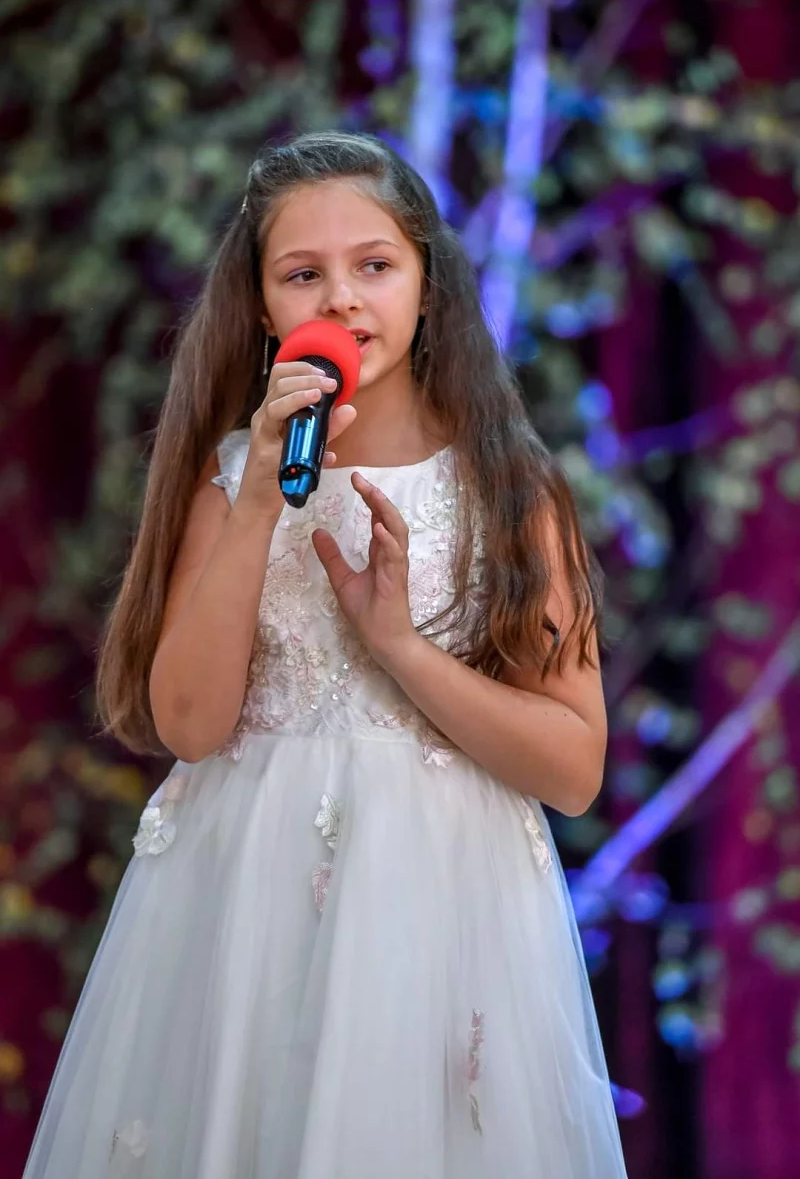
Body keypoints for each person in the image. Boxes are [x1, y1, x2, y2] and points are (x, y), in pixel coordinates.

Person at [24, 131, 628, 1178]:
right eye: (302, 274)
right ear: (263, 310)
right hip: (246, 902)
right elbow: (190, 724)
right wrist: (260, 500)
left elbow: (573, 770)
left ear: (427, 286)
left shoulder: (507, 491)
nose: (341, 298)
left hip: (441, 909)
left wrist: (399, 648)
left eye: (374, 265)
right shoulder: (231, 483)